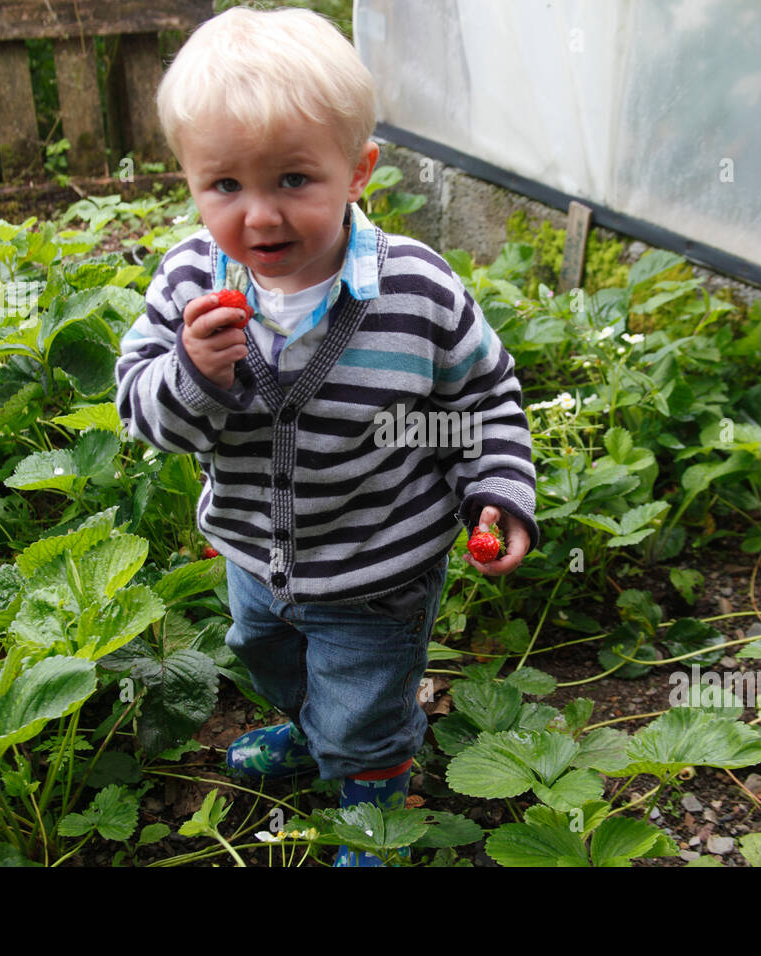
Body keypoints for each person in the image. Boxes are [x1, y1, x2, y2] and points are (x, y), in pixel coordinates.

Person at [115, 6, 538, 866]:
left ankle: (373, 802)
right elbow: (137, 408)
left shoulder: (415, 290)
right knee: (266, 656)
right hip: (250, 555)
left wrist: (497, 492)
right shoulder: (188, 281)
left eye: (293, 180)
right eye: (225, 185)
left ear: (358, 171)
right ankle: (314, 735)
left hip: (380, 567)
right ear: (190, 182)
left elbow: (484, 397)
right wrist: (193, 376)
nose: (260, 216)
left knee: (367, 705)